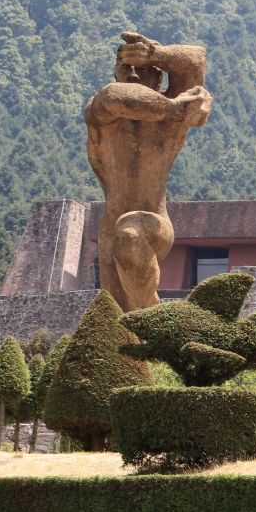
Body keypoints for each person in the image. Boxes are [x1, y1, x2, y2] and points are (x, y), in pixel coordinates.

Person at [85, 32, 212, 311]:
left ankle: (155, 320)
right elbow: (116, 97)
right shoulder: (101, 115)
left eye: (142, 70)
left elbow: (195, 60)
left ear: (159, 78)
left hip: (153, 222)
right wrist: (177, 109)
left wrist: (156, 54)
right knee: (116, 317)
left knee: (130, 232)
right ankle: (143, 345)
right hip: (110, 230)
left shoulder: (167, 124)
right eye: (125, 67)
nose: (133, 75)